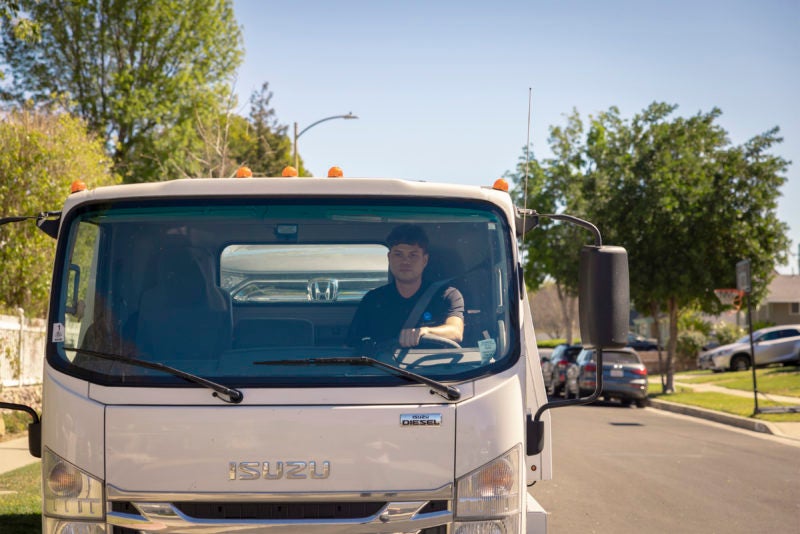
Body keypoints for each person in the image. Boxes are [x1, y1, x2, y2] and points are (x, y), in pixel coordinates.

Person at [347, 224, 464, 348]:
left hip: (435, 366)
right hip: (383, 366)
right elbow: (351, 346)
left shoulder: (448, 295)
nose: (405, 261)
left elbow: (455, 331)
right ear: (389, 258)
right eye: (398, 254)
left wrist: (426, 331)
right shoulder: (373, 300)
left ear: (425, 260)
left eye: (413, 255)